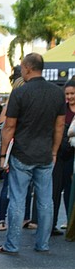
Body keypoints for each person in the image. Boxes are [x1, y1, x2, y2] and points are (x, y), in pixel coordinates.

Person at [0, 53, 67, 255]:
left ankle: (12, 245)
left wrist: (2, 156)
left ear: (27, 68)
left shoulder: (20, 93)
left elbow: (9, 127)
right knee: (46, 201)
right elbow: (59, 126)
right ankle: (42, 244)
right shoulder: (57, 93)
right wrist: (53, 151)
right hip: (45, 153)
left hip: (22, 153)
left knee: (17, 199)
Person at [50, 79, 74, 236]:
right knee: (56, 190)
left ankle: (71, 224)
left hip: (73, 154)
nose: (70, 97)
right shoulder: (61, 109)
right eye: (67, 94)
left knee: (71, 191)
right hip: (59, 153)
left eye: (72, 93)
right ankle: (51, 224)